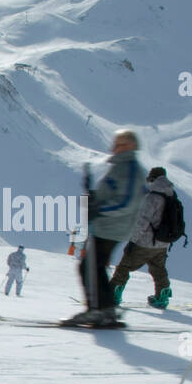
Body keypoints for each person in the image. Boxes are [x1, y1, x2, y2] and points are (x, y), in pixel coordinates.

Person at [66, 129, 144, 327]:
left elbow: (126, 203)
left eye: (121, 143)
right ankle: (106, 310)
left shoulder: (130, 169)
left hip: (113, 227)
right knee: (95, 266)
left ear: (131, 146)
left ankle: (97, 311)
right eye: (116, 143)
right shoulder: (120, 167)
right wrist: (93, 199)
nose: (115, 147)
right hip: (107, 226)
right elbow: (110, 195)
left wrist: (99, 208)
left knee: (89, 266)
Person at [110, 166, 175, 309]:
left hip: (145, 242)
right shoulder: (170, 195)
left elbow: (142, 221)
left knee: (124, 266)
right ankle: (162, 297)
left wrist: (132, 241)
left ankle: (113, 295)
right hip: (163, 243)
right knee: (158, 269)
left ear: (153, 179)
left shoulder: (152, 197)